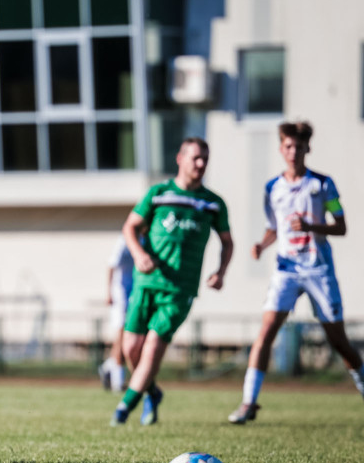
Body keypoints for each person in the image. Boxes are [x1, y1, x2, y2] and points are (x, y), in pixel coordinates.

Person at [228, 121, 364, 423]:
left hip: (318, 269)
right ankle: (248, 402)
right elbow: (274, 228)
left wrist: (312, 226)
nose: (293, 152)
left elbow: (341, 226)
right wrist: (262, 245)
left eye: (299, 147)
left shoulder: (323, 184)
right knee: (266, 332)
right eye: (288, 146)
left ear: (307, 149)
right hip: (286, 270)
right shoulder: (272, 188)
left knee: (338, 340)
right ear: (281, 149)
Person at [111, 137, 233, 426]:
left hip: (180, 289)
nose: (201, 164)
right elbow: (130, 227)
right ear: (180, 158)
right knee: (131, 348)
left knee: (152, 347)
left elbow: (228, 242)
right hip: (146, 282)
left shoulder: (213, 204)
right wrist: (139, 253)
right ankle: (151, 392)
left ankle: (123, 409)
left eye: (205, 158)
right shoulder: (158, 193)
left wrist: (221, 271)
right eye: (195, 158)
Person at [98, 234, 133, 392]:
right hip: (120, 294)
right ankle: (118, 383)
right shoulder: (125, 240)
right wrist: (109, 293)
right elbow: (111, 265)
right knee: (121, 336)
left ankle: (108, 367)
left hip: (135, 293)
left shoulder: (147, 239)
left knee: (129, 337)